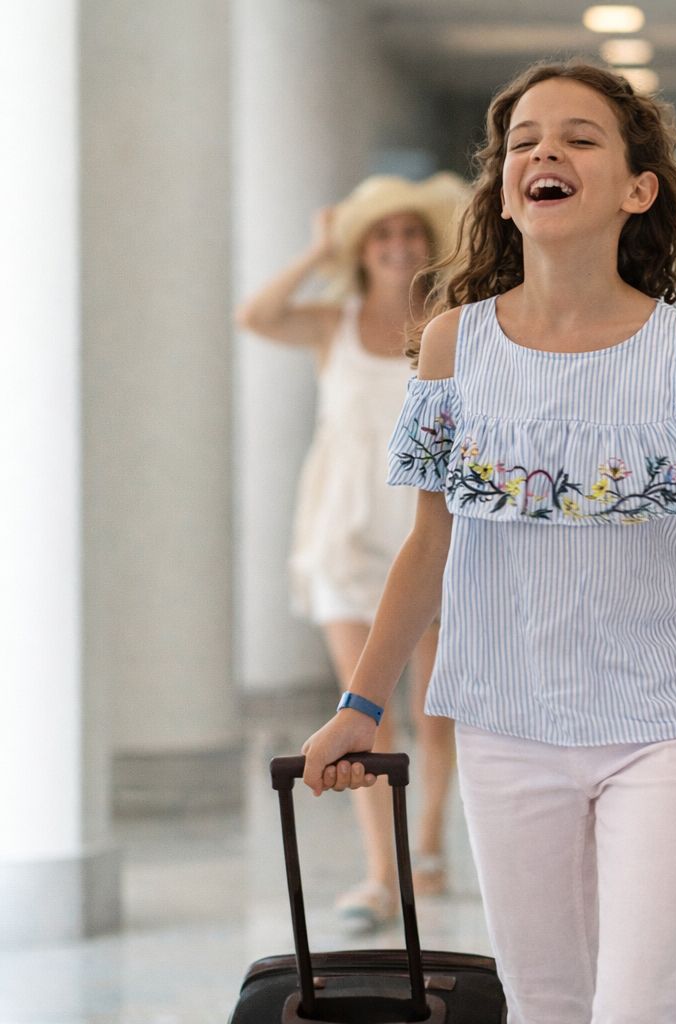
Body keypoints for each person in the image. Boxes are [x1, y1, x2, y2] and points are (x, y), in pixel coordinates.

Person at [298, 60, 676, 1022]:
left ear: (639, 189)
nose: (545, 151)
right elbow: (430, 544)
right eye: (524, 141)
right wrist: (361, 703)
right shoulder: (453, 348)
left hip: (660, 718)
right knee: (546, 1002)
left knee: (636, 1003)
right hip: (504, 719)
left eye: (580, 137)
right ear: (505, 192)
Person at [235, 171, 467, 932]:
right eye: (381, 236)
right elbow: (257, 314)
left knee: (434, 710)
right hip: (341, 530)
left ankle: (427, 839)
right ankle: (381, 872)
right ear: (363, 249)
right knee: (364, 712)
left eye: (410, 235)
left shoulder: (445, 324)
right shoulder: (330, 323)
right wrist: (316, 250)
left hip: (421, 532)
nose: (398, 248)